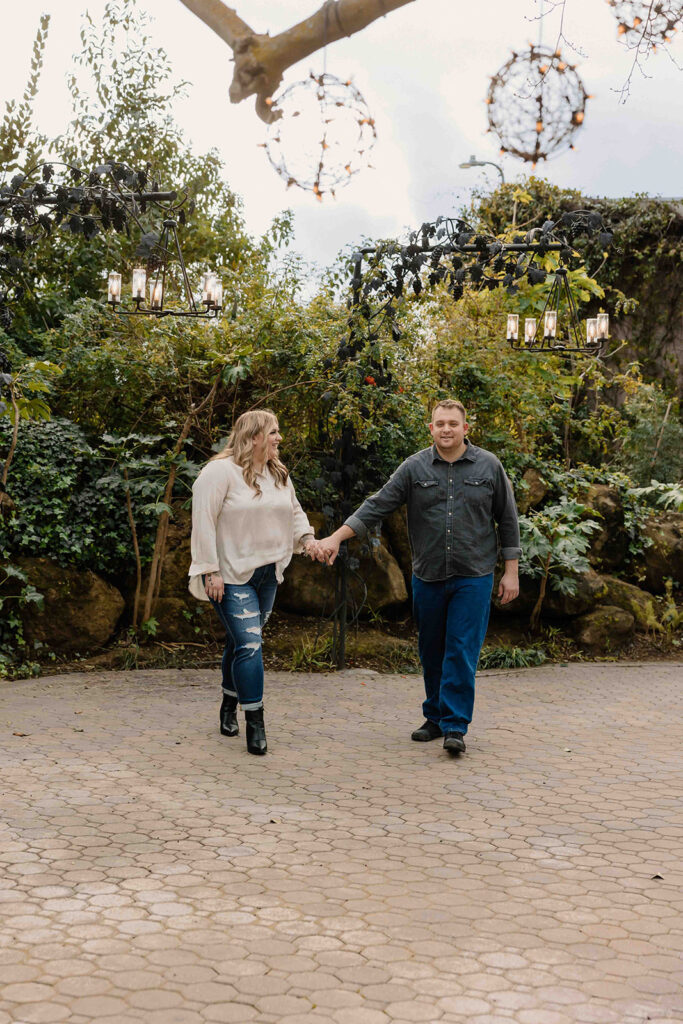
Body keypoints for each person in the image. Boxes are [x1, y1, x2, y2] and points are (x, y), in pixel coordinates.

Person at [318, 399, 520, 754]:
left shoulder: (489, 466)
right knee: (431, 650)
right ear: (431, 428)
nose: (446, 429)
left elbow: (507, 520)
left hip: (473, 575)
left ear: (465, 429)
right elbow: (377, 504)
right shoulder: (414, 468)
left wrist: (511, 572)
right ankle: (435, 717)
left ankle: (455, 725)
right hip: (428, 575)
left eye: (453, 424)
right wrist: (336, 537)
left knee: (460, 649)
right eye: (440, 423)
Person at [188, 409, 322, 755]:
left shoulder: (277, 473)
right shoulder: (218, 473)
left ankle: (228, 704)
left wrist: (307, 540)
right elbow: (202, 521)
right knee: (250, 645)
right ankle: (255, 722)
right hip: (230, 575)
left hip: (267, 575)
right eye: (273, 432)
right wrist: (209, 570)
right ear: (253, 437)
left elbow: (293, 511)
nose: (279, 438)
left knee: (241, 642)